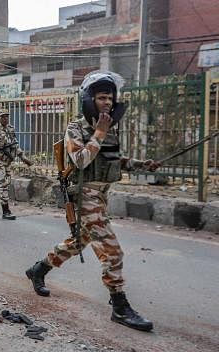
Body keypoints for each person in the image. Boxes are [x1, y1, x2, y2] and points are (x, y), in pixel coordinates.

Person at [25, 71, 160, 332]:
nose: (107, 102)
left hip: (101, 196)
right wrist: (98, 132)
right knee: (112, 251)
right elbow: (81, 160)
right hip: (84, 196)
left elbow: (110, 161)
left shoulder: (108, 130)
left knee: (77, 243)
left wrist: (141, 165)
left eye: (110, 97)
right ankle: (120, 307)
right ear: (89, 99)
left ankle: (38, 270)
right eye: (101, 97)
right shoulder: (76, 128)